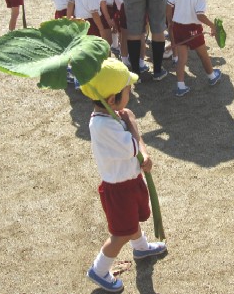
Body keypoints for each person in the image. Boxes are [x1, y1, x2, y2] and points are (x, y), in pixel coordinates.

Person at [81, 58, 167, 292]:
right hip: (120, 190)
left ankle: (140, 247)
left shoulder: (108, 115)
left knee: (131, 223)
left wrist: (125, 117)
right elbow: (133, 146)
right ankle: (99, 270)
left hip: (128, 182)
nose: (131, 93)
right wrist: (132, 122)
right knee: (121, 234)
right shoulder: (104, 126)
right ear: (111, 99)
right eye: (128, 90)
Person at [166, 0, 222, 97]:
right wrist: (212, 25)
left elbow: (168, 5)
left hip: (178, 28)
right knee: (203, 55)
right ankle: (212, 76)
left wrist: (170, 21)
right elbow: (200, 16)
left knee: (182, 58)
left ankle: (180, 86)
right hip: (193, 30)